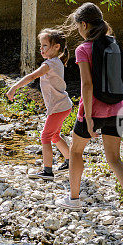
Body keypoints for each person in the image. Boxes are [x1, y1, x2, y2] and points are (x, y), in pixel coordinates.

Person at [57, 2, 123, 226]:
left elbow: (87, 85)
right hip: (116, 107)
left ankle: (74, 198)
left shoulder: (83, 49)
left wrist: (88, 119)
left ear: (84, 24)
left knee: (76, 151)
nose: (78, 29)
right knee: (114, 159)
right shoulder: (113, 44)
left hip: (93, 110)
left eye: (78, 26)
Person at [6, 29, 73, 180]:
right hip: (63, 105)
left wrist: (13, 87)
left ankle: (47, 171)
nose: (41, 49)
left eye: (44, 45)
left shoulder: (49, 64)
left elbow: (32, 76)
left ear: (56, 47)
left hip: (58, 107)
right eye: (40, 46)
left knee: (45, 137)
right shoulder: (56, 62)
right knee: (54, 135)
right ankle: (70, 161)